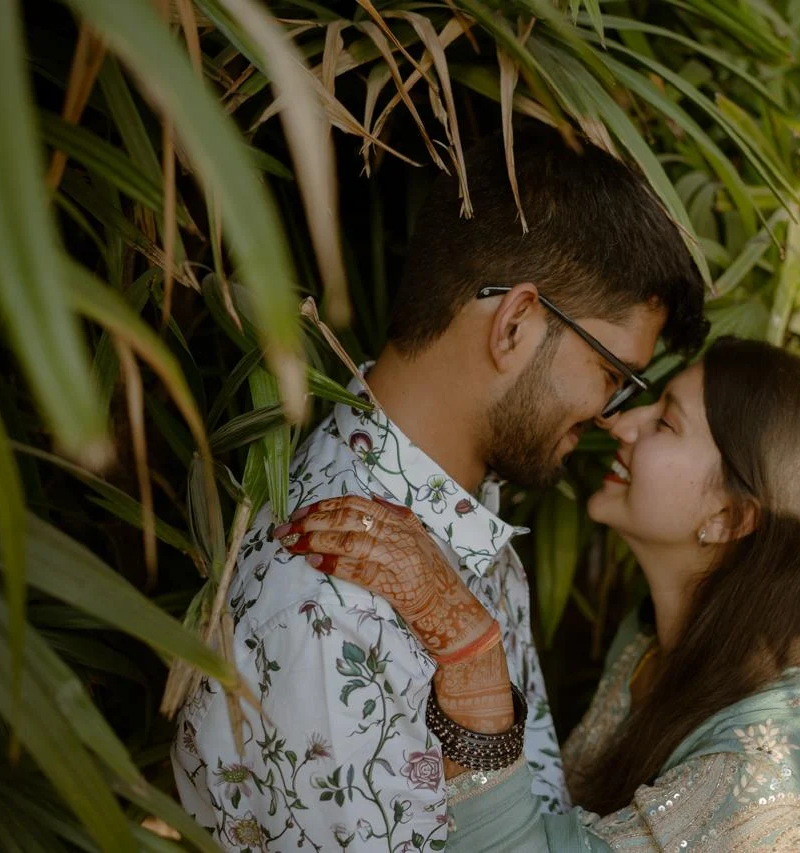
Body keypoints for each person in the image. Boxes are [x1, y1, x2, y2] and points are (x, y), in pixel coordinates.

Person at [171, 126, 707, 851]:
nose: (612, 416)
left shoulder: (456, 517)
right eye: (614, 375)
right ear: (515, 324)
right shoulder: (334, 604)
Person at [272, 337, 800, 851]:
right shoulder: (649, 642)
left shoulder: (794, 748)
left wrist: (471, 660)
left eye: (666, 422)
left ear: (729, 518)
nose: (618, 423)